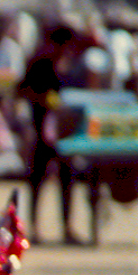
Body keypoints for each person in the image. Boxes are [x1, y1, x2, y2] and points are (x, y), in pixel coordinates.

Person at [17, 24, 86, 245]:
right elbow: (22, 89)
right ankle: (34, 228)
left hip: (65, 132)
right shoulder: (40, 62)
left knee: (67, 179)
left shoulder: (71, 65)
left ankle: (66, 227)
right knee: (37, 179)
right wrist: (44, 99)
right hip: (41, 129)